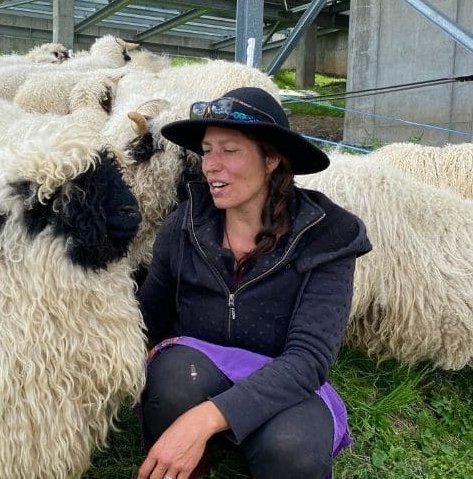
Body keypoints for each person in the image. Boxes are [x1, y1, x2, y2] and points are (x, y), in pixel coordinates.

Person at [136, 87, 372, 479]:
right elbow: (149, 316)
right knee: (175, 378)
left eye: (229, 151)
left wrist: (206, 419)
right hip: (195, 369)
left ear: (271, 159)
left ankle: (216, 433)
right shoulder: (185, 224)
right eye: (207, 150)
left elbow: (308, 360)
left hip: (283, 378)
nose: (211, 165)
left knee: (293, 451)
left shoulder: (328, 236)